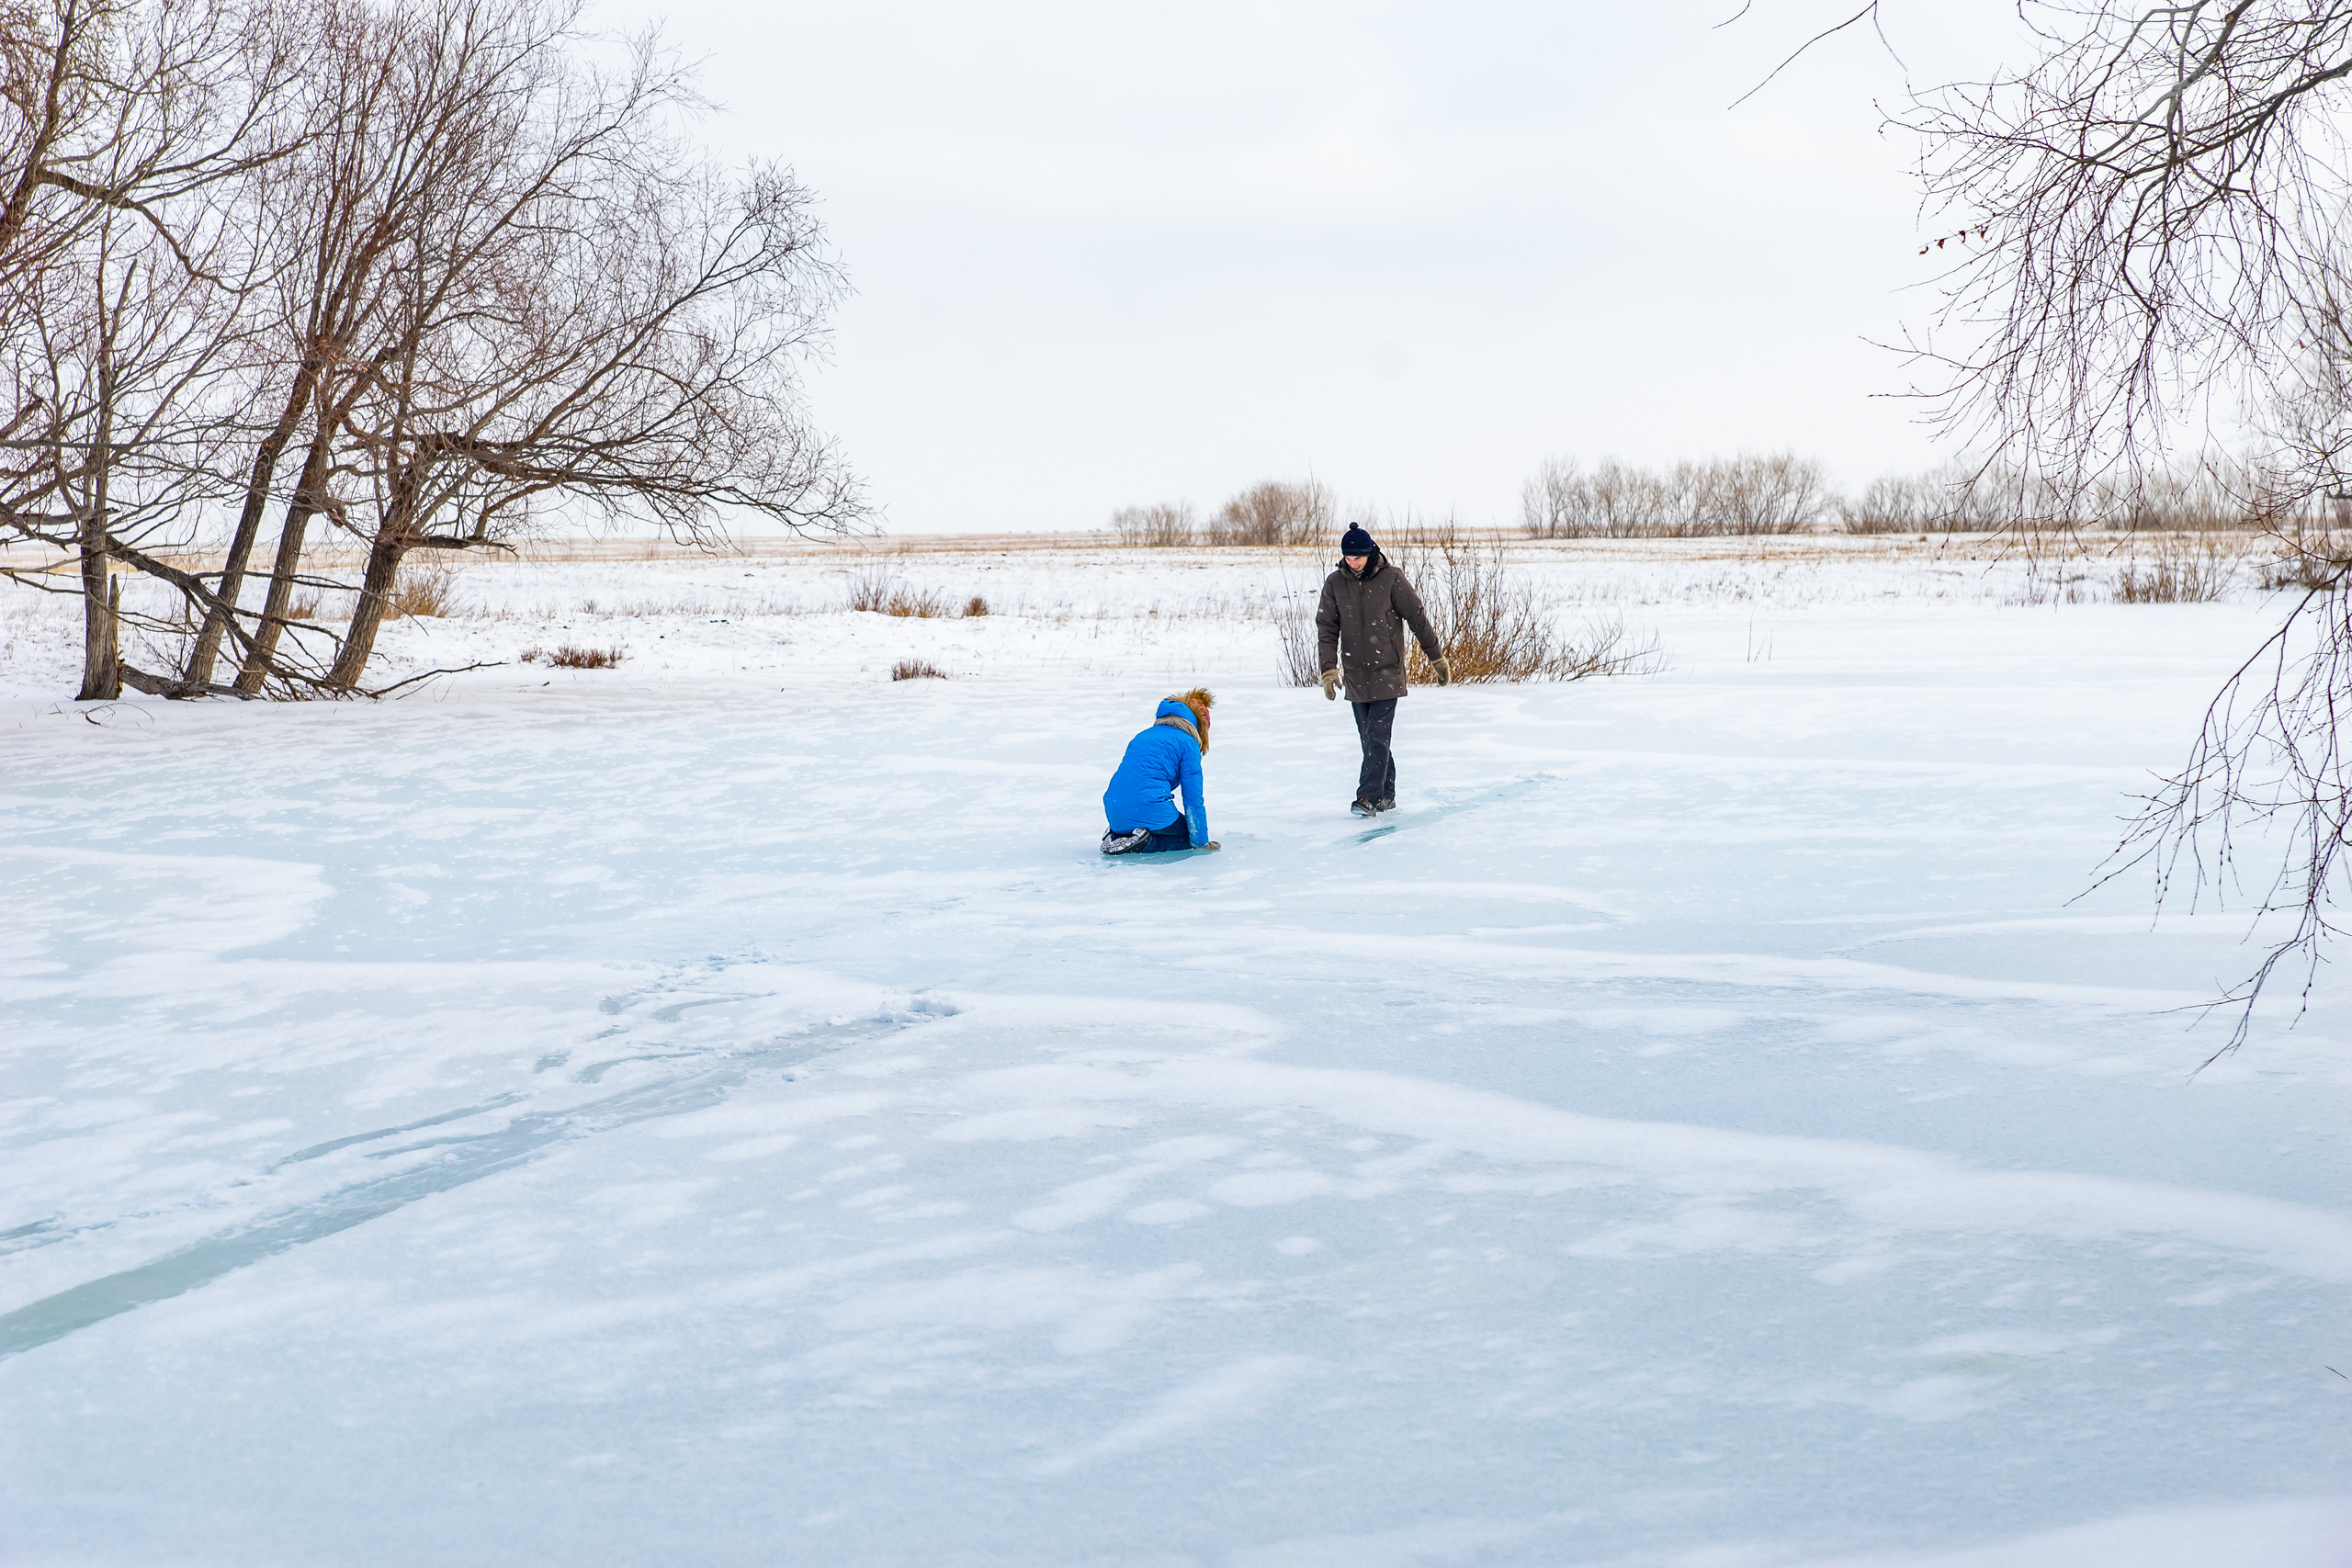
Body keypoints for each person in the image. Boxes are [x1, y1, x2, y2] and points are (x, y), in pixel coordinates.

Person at [1316, 525, 1447, 817]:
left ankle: (1367, 797)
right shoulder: (1335, 583)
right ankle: (1387, 793)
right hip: (1356, 675)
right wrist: (1328, 669)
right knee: (1371, 739)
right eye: (1348, 558)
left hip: (1387, 671)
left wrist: (1436, 659)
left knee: (1376, 735)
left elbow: (1417, 618)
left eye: (1358, 558)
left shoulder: (1391, 579)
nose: (1353, 563)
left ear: (1370, 552)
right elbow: (1327, 629)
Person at [1102, 687, 1221, 854]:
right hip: (1147, 806)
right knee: (1186, 837)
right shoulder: (1188, 743)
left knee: (1149, 813)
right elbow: (1193, 799)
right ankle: (1145, 842)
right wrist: (1200, 843)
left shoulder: (1143, 735)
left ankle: (1117, 835)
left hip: (1113, 808)